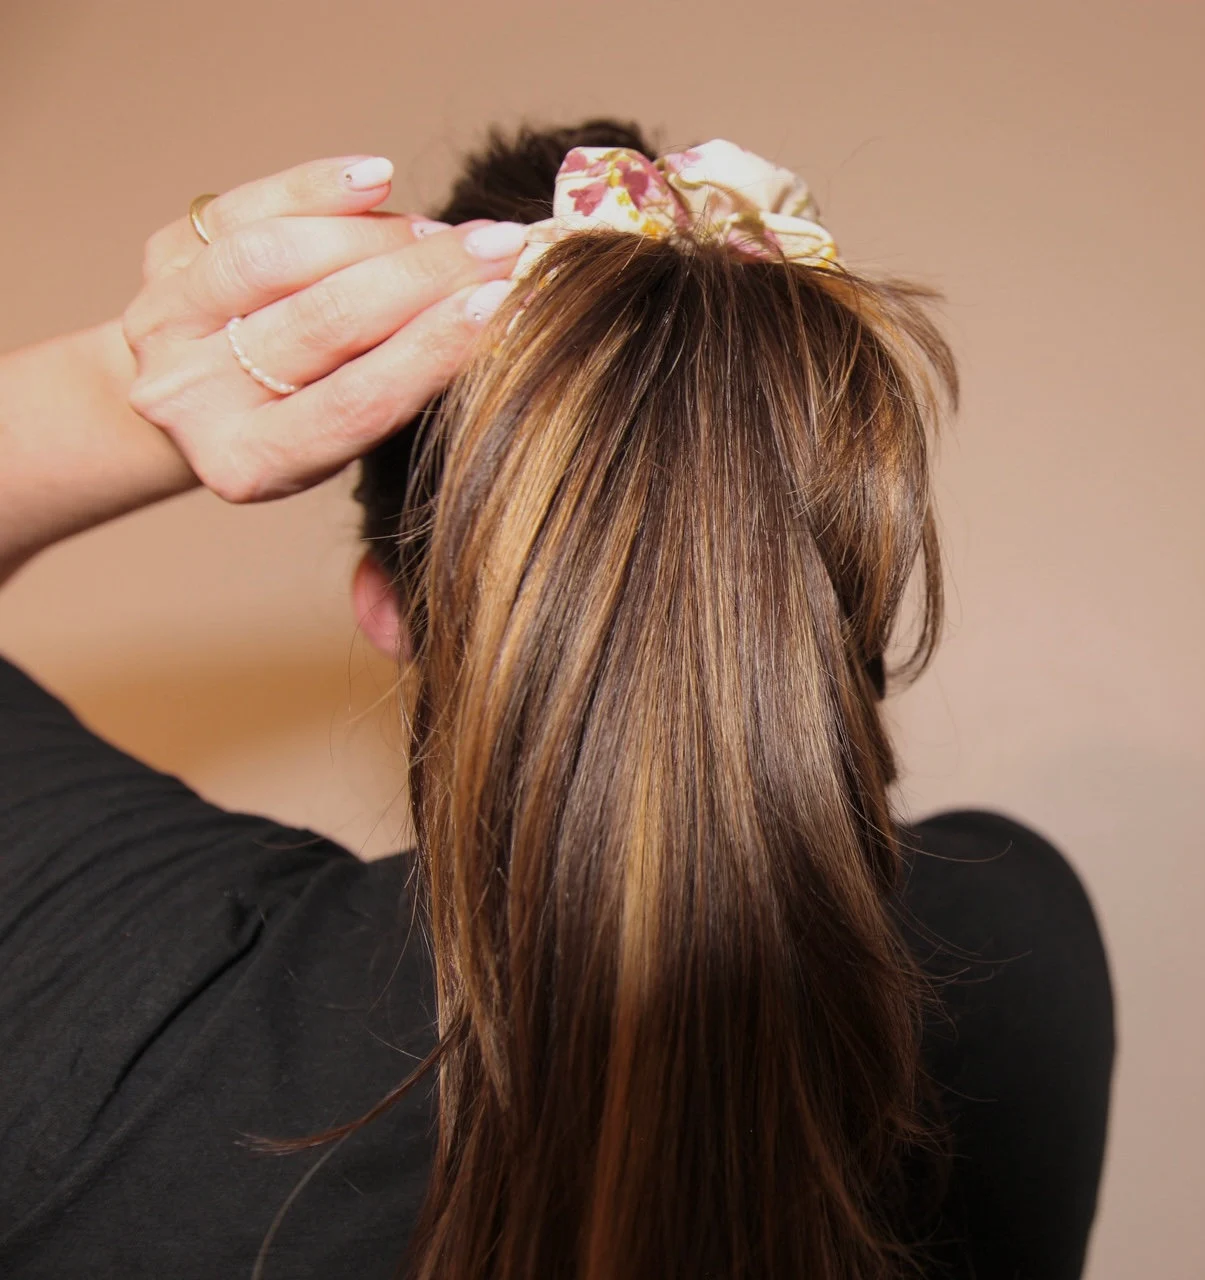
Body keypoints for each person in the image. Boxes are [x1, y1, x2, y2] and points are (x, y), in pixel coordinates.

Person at [0, 120, 1114, 1280]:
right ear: (824, 587)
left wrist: (124, 395)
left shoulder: (152, 1009)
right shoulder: (1014, 961)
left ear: (389, 607)